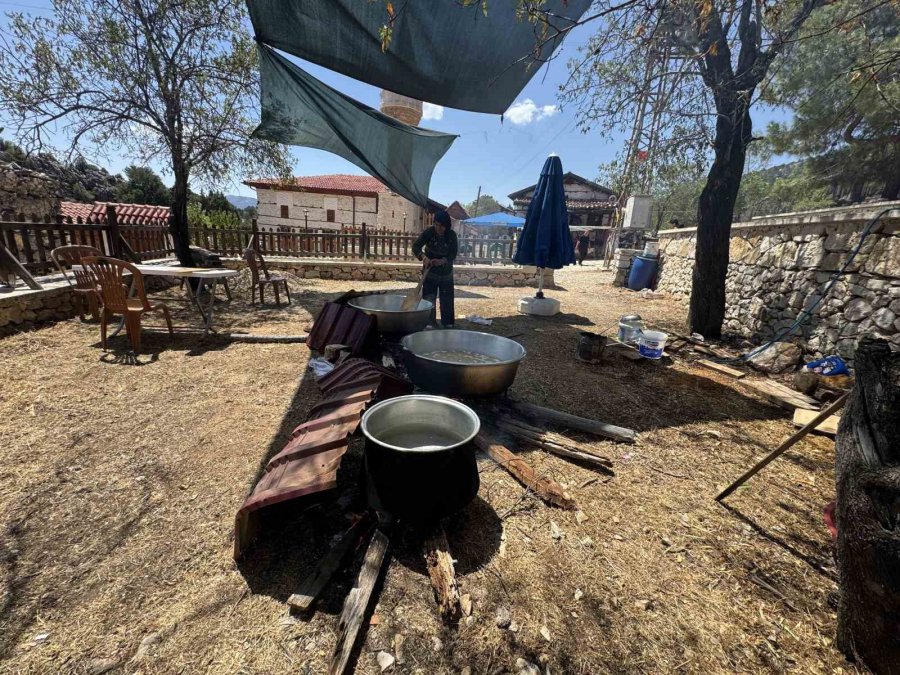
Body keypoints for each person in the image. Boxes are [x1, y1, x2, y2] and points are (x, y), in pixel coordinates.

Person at [413, 210, 458, 328]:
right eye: (436, 224)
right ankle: (430, 322)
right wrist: (424, 257)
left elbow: (453, 254)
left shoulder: (451, 235)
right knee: (429, 298)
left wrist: (442, 261)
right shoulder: (429, 232)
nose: (438, 228)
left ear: (447, 226)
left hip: (446, 274)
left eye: (442, 226)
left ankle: (447, 322)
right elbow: (416, 246)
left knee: (447, 299)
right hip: (430, 272)